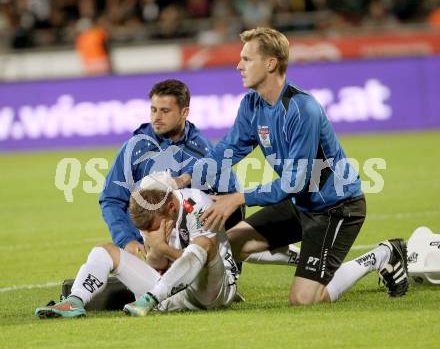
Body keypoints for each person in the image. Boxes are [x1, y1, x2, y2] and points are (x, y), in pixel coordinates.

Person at [184, 27, 408, 305]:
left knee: (304, 299)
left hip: (335, 208)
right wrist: (185, 178)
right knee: (229, 243)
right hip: (301, 203)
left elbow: (295, 182)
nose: (238, 65)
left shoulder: (302, 110)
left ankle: (382, 254)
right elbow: (226, 151)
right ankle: (310, 260)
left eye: (246, 59)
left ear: (270, 63)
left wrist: (239, 199)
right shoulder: (252, 104)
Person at [35, 185, 239, 318]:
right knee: (105, 250)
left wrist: (163, 248)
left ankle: (148, 300)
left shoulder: (198, 206)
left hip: (213, 291)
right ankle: (75, 301)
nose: (149, 233)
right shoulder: (151, 212)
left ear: (171, 207)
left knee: (203, 242)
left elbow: (203, 258)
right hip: (168, 293)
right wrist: (157, 251)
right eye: (145, 231)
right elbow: (156, 265)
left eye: (152, 228)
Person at [99, 79, 237, 259]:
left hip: (192, 249)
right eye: (153, 110)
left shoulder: (204, 151)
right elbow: (112, 199)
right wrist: (127, 241)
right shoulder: (135, 148)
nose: (157, 117)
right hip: (145, 247)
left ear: (184, 112)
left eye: (165, 111)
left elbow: (229, 198)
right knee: (101, 255)